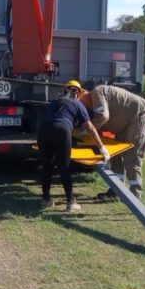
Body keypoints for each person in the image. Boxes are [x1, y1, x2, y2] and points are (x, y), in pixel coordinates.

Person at [38, 80, 109, 212]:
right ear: (79, 93)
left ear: (64, 90)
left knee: (47, 165)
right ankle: (71, 203)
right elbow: (90, 128)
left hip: (43, 131)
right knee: (64, 167)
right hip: (62, 131)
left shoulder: (54, 101)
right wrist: (101, 147)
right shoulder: (77, 103)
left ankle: (46, 200)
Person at [79, 84, 145, 200]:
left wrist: (87, 131)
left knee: (132, 158)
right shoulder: (92, 101)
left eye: (81, 103)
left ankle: (135, 195)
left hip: (138, 117)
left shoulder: (97, 92)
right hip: (124, 124)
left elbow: (103, 117)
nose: (83, 107)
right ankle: (116, 190)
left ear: (83, 94)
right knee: (116, 155)